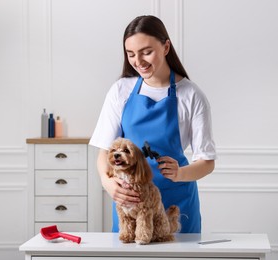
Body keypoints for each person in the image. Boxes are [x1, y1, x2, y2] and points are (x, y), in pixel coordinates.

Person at [89, 15, 216, 233]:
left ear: (166, 47)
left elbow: (207, 162)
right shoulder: (121, 91)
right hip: (131, 203)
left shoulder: (192, 95)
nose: (138, 61)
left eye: (146, 52)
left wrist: (180, 173)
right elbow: (104, 151)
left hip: (177, 201)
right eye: (131, 54)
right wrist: (107, 182)